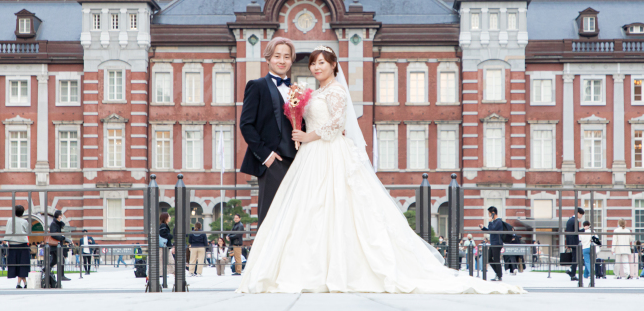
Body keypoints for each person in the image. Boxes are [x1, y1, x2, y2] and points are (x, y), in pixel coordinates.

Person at [237, 47, 523, 294]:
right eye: (313, 63)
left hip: (327, 151)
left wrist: (306, 137)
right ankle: (309, 267)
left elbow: (336, 126)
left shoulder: (336, 90)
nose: (316, 67)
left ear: (333, 64)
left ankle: (336, 269)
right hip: (309, 157)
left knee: (337, 207)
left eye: (321, 62)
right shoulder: (314, 91)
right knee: (309, 210)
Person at [239, 37, 299, 226]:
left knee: (293, 217)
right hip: (273, 161)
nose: (282, 61)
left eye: (287, 57)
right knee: (270, 218)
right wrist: (266, 156)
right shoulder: (256, 86)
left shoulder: (295, 90)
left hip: (297, 161)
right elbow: (246, 124)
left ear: (291, 60)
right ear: (268, 59)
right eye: (277, 56)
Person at [4, 205, 31, 288]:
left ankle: (20, 283)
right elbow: (27, 231)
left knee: (15, 263)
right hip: (22, 244)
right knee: (23, 264)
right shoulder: (24, 221)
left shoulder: (9, 220)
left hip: (12, 244)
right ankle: (23, 283)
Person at [47, 210, 71, 284]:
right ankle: (61, 276)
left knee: (54, 260)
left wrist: (60, 222)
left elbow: (62, 226)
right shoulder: (53, 224)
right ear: (58, 216)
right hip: (55, 245)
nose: (62, 217)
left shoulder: (57, 223)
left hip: (57, 245)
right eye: (61, 215)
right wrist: (63, 238)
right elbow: (54, 234)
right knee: (61, 260)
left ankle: (45, 269)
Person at [565, 207, 584, 281]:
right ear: (578, 213)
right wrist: (584, 230)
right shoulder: (575, 221)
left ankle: (571, 272)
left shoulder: (569, 220)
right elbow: (577, 232)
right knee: (576, 258)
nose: (581, 216)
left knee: (575, 258)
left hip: (571, 242)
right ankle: (572, 273)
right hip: (575, 242)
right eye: (581, 214)